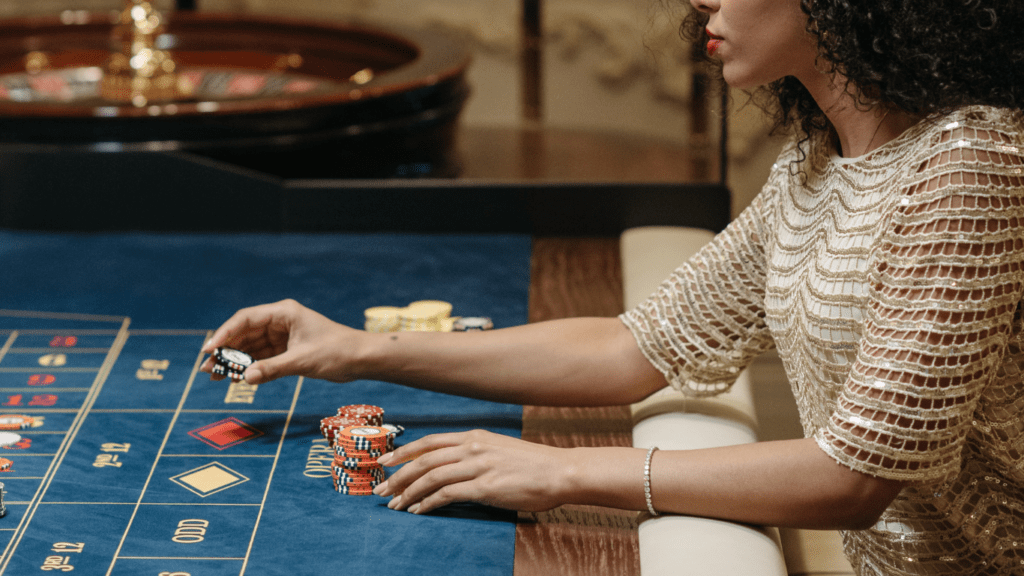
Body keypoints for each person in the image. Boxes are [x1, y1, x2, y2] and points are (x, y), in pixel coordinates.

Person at [201, 0, 1024, 573]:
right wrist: (358, 350)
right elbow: (632, 347)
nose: (699, 1)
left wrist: (560, 472)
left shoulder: (968, 163)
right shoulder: (814, 169)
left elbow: (855, 477)